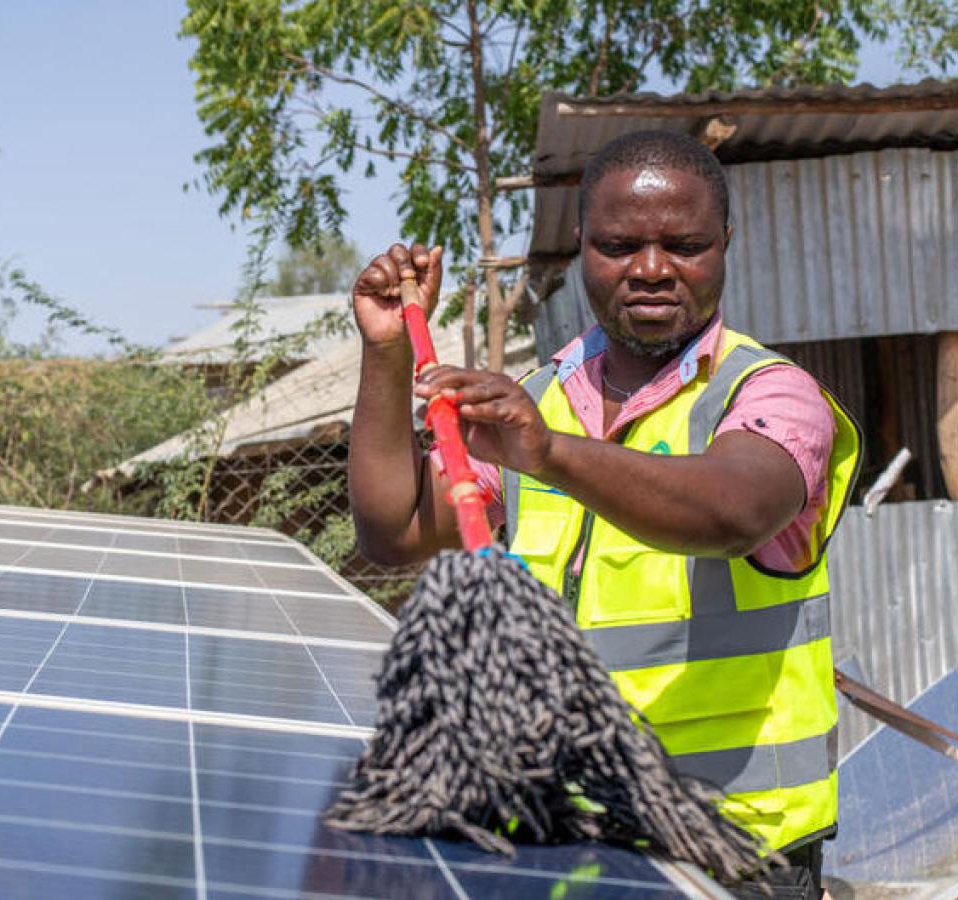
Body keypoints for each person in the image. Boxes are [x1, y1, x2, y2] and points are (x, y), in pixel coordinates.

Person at [347, 129, 861, 897]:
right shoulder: (546, 398)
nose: (652, 269)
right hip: (577, 853)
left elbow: (735, 512)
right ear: (582, 245)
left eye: (683, 244)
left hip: (736, 859)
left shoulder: (770, 395)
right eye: (620, 245)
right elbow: (393, 531)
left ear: (724, 243)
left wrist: (551, 453)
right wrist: (386, 354)